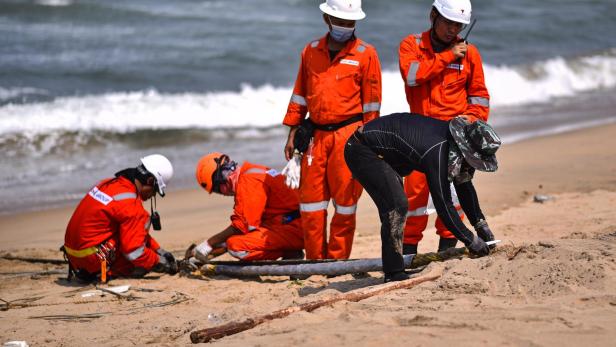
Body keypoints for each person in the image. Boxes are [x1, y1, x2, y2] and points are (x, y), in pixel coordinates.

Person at [344, 112, 499, 282]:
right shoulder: (437, 151)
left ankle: (395, 267)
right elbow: (444, 205)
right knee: (397, 206)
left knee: (396, 205)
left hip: (388, 154)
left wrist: (481, 225)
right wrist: (471, 240)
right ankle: (394, 273)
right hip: (362, 149)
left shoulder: (455, 145)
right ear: (467, 148)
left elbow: (464, 186)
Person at [282, 0, 382, 260]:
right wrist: (293, 131)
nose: (345, 27)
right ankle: (315, 261)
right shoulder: (310, 51)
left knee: (346, 203)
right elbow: (300, 95)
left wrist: (371, 142)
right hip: (315, 137)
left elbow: (372, 104)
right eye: (340, 21)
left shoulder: (366, 53)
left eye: (350, 22)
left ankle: (337, 261)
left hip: (349, 136)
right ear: (327, 19)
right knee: (311, 203)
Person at [398, 0, 490, 255]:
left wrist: (469, 124)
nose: (453, 30)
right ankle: (407, 258)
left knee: (452, 202)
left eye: (458, 25)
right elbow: (413, 76)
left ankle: (446, 255)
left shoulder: (470, 53)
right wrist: (448, 56)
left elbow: (479, 97)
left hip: (453, 139)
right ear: (433, 15)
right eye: (448, 22)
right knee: (413, 202)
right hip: (417, 136)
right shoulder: (412, 45)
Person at [63, 154, 177, 282]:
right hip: (91, 261)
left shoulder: (108, 184)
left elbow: (134, 232)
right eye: (155, 190)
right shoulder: (132, 206)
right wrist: (159, 262)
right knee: (136, 260)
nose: (152, 195)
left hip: (73, 256)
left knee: (129, 230)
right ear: (150, 181)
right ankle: (105, 272)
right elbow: (134, 252)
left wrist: (159, 250)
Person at [193, 152, 304, 262]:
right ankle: (290, 249)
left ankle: (289, 251)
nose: (222, 194)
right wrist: (211, 248)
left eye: (217, 190)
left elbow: (241, 226)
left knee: (236, 246)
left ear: (221, 177)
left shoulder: (248, 182)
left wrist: (208, 244)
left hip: (295, 227)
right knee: (243, 236)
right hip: (293, 221)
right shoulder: (251, 172)